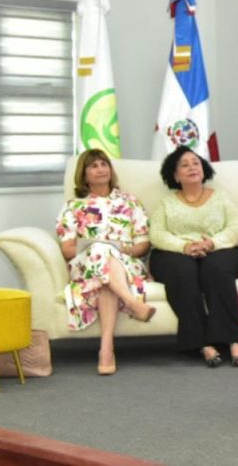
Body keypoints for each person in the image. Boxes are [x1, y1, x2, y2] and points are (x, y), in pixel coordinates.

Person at [55, 149, 155, 375]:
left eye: (104, 164)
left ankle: (106, 349)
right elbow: (68, 249)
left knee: (107, 273)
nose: (100, 169)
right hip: (86, 265)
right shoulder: (73, 207)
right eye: (94, 166)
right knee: (101, 251)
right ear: (84, 174)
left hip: (126, 264)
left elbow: (143, 244)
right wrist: (98, 246)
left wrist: (121, 249)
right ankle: (133, 303)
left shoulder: (130, 202)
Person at [148, 146, 238, 368]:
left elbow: (235, 228)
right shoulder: (167, 203)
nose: (192, 167)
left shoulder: (220, 197)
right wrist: (185, 247)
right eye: (184, 164)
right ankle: (202, 343)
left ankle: (232, 339)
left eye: (195, 162)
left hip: (218, 250)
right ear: (175, 175)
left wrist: (212, 243)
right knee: (183, 272)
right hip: (175, 253)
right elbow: (156, 234)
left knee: (216, 269)